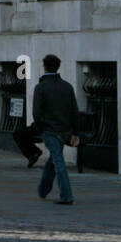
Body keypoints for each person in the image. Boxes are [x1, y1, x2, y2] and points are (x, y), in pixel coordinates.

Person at [34, 54, 79, 204]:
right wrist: (75, 132)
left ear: (45, 66)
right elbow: (74, 111)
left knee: (58, 161)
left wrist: (41, 128)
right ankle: (43, 189)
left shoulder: (41, 87)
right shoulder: (67, 86)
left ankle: (66, 196)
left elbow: (36, 112)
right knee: (55, 157)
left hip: (50, 130)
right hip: (65, 129)